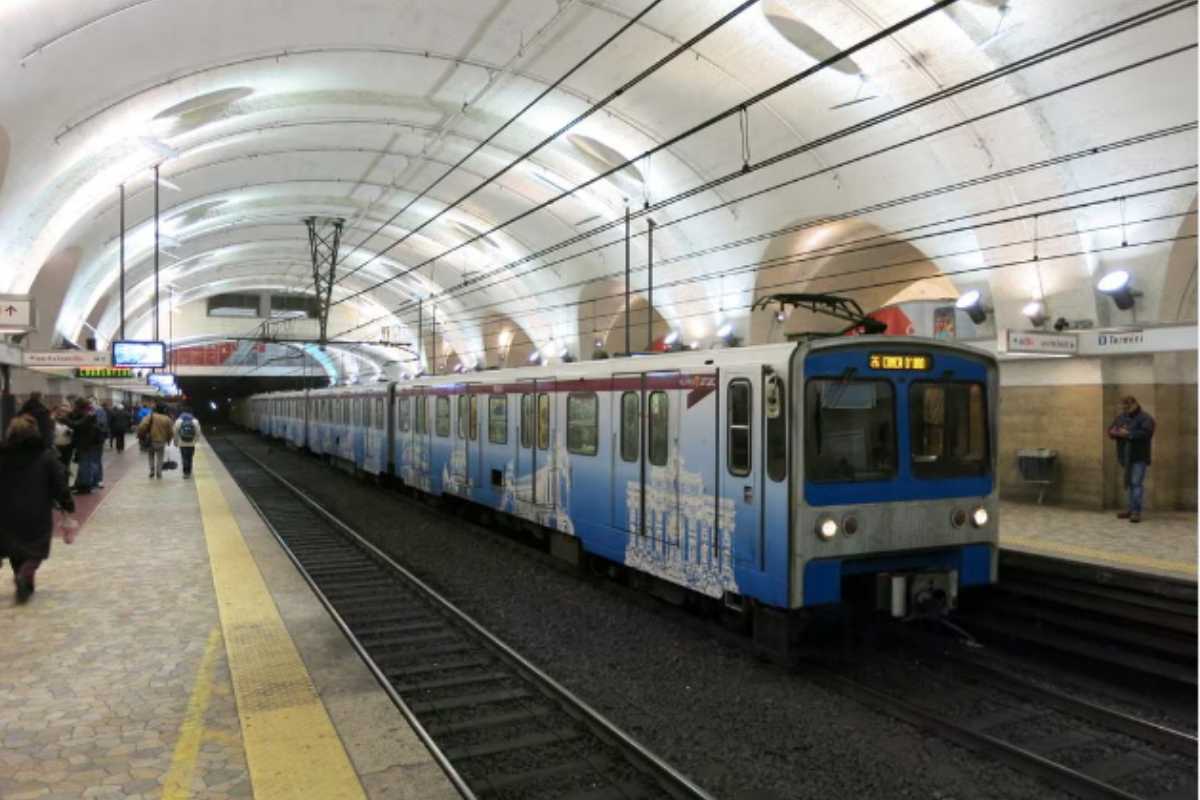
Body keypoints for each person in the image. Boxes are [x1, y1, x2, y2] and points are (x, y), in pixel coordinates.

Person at [0, 414, 75, 602]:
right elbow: (59, 482)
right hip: (36, 510)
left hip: (5, 510)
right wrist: (67, 503)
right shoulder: (45, 456)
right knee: (36, 548)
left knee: (15, 547)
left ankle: (25, 583)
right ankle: (25, 575)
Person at [1107, 395, 1156, 523]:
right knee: (1129, 484)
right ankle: (1130, 509)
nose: (1125, 410)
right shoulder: (1121, 417)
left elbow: (1147, 433)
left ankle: (1136, 512)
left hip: (1139, 456)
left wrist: (1129, 434)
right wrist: (1114, 432)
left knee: (1136, 483)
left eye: (1127, 407)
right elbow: (1111, 430)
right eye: (1123, 407)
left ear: (1135, 404)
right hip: (1125, 456)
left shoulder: (1146, 418)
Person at [66, 398, 101, 494]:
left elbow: (77, 425)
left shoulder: (88, 415)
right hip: (87, 443)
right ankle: (81, 484)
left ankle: (85, 487)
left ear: (79, 406)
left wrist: (65, 419)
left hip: (86, 444)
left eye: (75, 405)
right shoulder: (87, 413)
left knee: (85, 465)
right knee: (85, 464)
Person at [137, 402, 174, 479]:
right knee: (160, 457)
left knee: (151, 455)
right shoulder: (167, 419)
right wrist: (169, 440)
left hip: (151, 440)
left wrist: (141, 435)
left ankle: (152, 471)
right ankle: (159, 472)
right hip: (161, 441)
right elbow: (170, 432)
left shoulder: (150, 416)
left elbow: (142, 426)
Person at [174, 406, 202, 478]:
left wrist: (175, 442)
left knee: (184, 457)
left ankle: (186, 472)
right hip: (191, 443)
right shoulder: (195, 421)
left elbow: (175, 432)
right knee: (190, 457)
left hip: (182, 443)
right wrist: (195, 440)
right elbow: (198, 432)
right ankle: (189, 470)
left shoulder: (178, 421)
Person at [90, 397, 108, 488]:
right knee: (96, 460)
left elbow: (102, 425)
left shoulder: (98, 411)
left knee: (95, 460)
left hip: (95, 440)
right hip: (97, 440)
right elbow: (104, 425)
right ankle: (97, 480)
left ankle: (96, 480)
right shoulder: (101, 411)